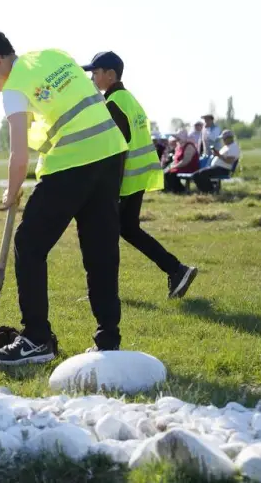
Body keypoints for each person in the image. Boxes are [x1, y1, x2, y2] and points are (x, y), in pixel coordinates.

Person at [0, 27, 129, 363]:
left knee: (29, 244)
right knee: (101, 250)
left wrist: (11, 192)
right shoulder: (53, 56)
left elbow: (18, 154)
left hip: (72, 163)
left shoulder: (15, 87)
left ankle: (36, 339)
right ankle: (108, 339)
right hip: (110, 153)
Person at [83, 52, 198, 299]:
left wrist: (108, 188)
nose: (92, 77)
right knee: (128, 230)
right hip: (136, 177)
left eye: (95, 72)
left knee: (104, 235)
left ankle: (103, 293)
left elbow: (116, 150)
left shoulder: (113, 104)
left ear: (110, 75)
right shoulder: (128, 99)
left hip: (123, 181)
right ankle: (177, 270)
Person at [162, 129, 200, 193]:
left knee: (170, 174)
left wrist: (174, 167)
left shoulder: (189, 146)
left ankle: (180, 190)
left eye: (178, 137)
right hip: (180, 167)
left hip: (189, 168)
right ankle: (168, 189)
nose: (177, 139)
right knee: (165, 172)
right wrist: (169, 167)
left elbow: (186, 161)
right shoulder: (178, 146)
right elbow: (175, 160)